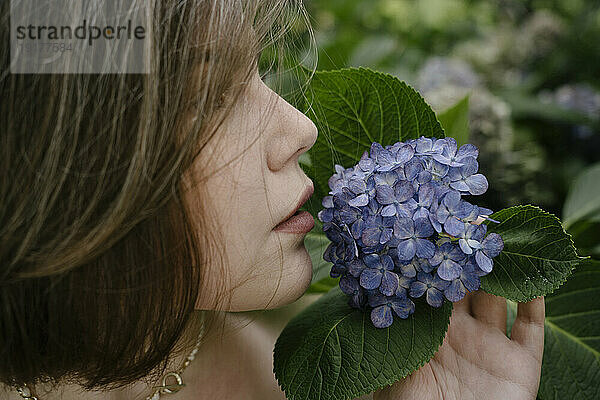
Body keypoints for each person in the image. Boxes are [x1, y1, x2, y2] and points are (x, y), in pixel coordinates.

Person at [0, 1, 545, 399]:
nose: (302, 128)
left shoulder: (291, 364)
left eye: (258, 72)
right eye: (211, 95)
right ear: (68, 168)